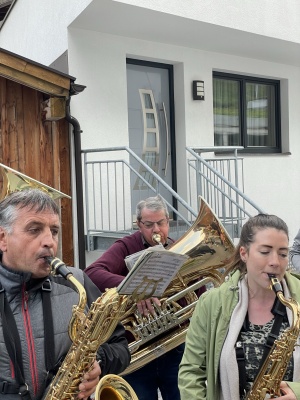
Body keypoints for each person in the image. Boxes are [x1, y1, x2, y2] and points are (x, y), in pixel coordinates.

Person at [0, 188, 130, 400]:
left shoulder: (76, 283)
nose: (49, 242)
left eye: (54, 231)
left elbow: (120, 347)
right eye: (34, 230)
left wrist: (99, 362)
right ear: (3, 238)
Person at [85, 194, 205, 400]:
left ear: (168, 222)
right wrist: (136, 289)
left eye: (161, 223)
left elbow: (199, 292)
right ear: (138, 224)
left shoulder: (179, 250)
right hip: (137, 350)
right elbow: (92, 272)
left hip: (175, 349)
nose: (156, 230)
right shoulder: (125, 246)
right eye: (149, 224)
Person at [178, 213, 300, 400]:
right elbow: (191, 372)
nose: (275, 262)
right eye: (265, 252)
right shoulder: (212, 302)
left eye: (283, 254)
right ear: (244, 253)